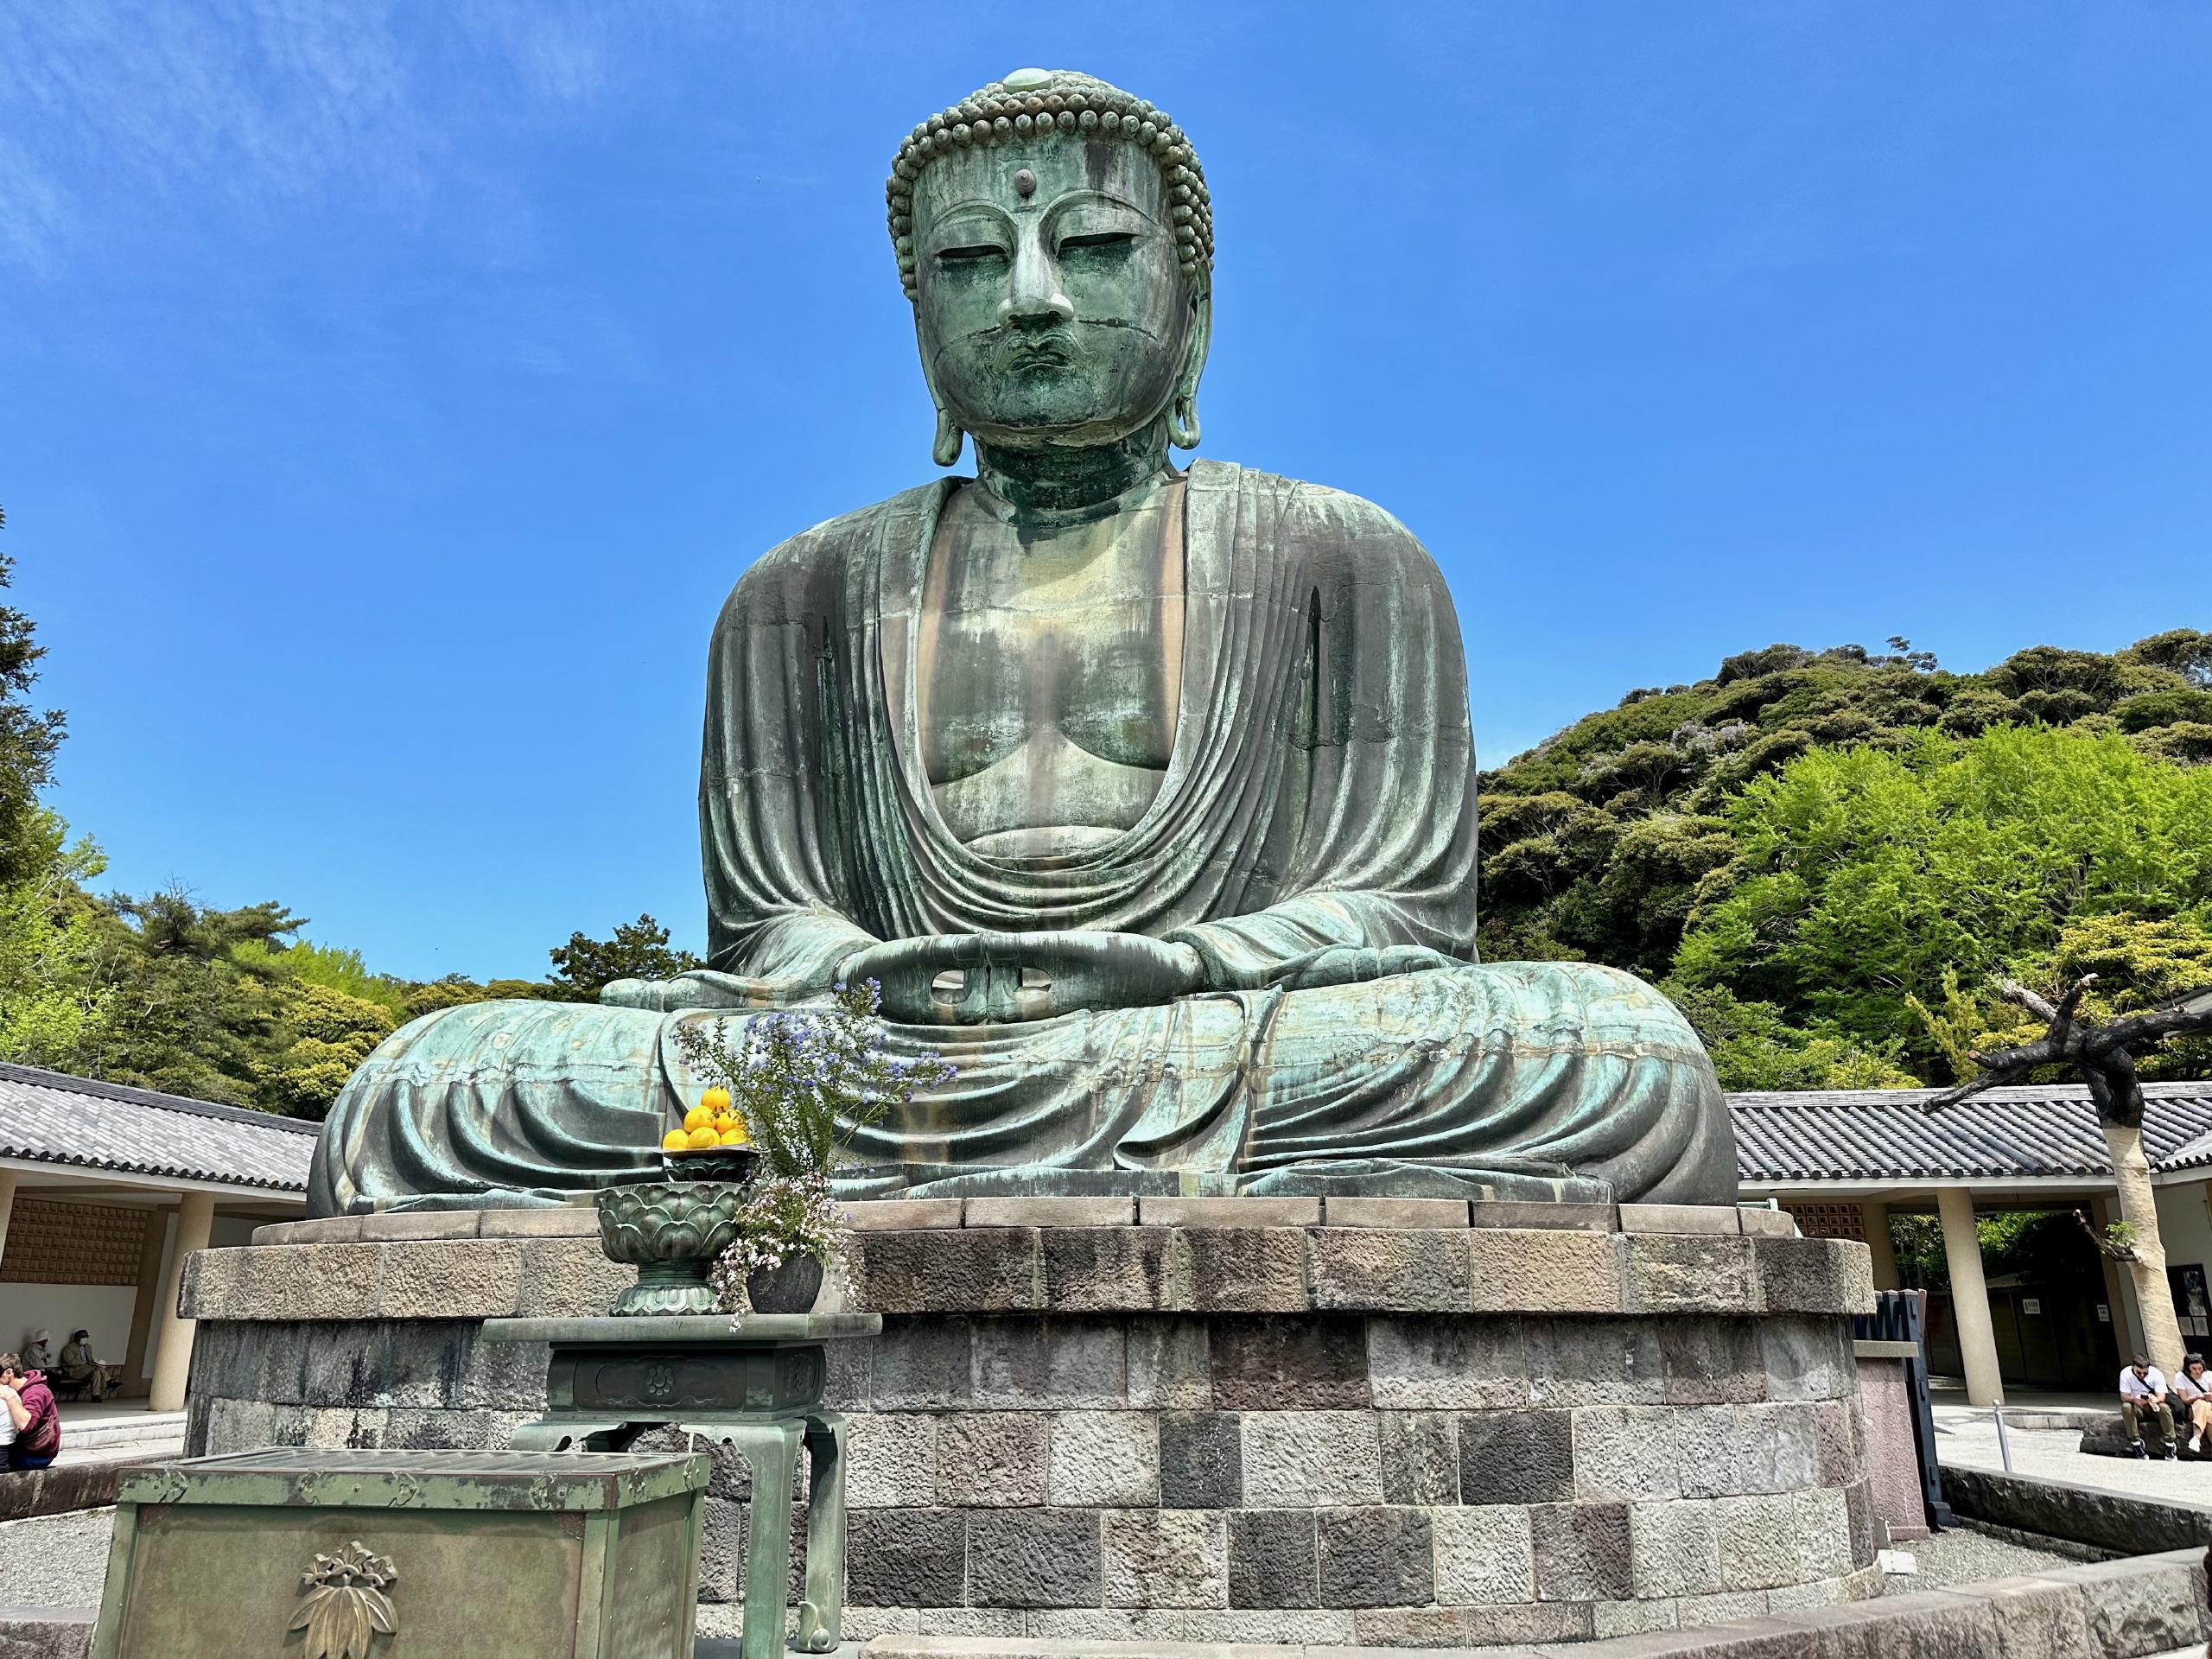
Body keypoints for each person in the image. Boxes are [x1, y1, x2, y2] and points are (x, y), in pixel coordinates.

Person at [306, 67, 1738, 1217]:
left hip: (1217, 1037)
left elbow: (1402, 915)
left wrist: (1168, 969)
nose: (1035, 297)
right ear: (922, 323)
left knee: (1613, 1061)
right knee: (428, 1086)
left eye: (1097, 246)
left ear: (1193, 303)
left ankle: (867, 1164)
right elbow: (768, 926)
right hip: (862, 1055)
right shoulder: (794, 596)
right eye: (973, 262)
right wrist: (845, 970)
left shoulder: (1340, 556)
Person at [0, 1352, 60, 1471]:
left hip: (37, 1454)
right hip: (25, 1446)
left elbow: (26, 1425)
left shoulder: (35, 1392)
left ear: (9, 1373)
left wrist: (10, 1397)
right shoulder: (22, 1387)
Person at [2120, 1353, 2177, 1459]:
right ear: (2133, 1367)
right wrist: (2134, 1400)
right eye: (2139, 1373)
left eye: (2145, 1373)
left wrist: (2155, 1399)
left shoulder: (2156, 1374)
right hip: (2137, 1406)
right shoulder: (2125, 1374)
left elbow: (2162, 1396)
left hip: (2152, 1406)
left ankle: (2170, 1444)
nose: (2142, 1375)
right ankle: (2136, 1442)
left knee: (2164, 1408)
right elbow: (2124, 1397)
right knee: (2126, 1407)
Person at [54, 1330, 115, 1402]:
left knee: (97, 1373)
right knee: (96, 1368)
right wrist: (84, 1362)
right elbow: (70, 1362)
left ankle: (95, 1395)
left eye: (86, 1337)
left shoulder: (88, 1347)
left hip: (87, 1370)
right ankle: (109, 1381)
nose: (85, 1339)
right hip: (74, 1371)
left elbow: (90, 1359)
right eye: (83, 1337)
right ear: (77, 1338)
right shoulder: (69, 1348)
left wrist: (95, 1361)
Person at [2172, 1353, 2212, 1455]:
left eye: (2200, 1368)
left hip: (2209, 1405)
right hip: (2192, 1407)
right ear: (2188, 1368)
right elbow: (2184, 1399)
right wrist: (2199, 1397)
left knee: (2208, 1413)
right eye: (2194, 1369)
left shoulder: (2208, 1375)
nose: (2198, 1372)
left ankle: (2196, 1438)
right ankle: (2196, 1438)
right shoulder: (2180, 1377)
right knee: (2202, 1404)